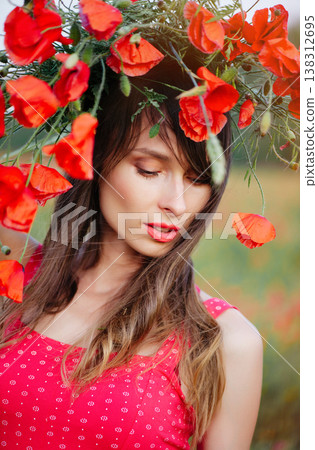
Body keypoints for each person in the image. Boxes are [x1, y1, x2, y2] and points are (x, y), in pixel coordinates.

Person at [0, 57, 263, 449]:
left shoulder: (224, 341)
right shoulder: (13, 267)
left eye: (198, 178)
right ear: (96, 156)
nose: (176, 203)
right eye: (148, 169)